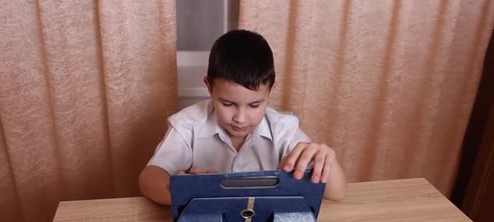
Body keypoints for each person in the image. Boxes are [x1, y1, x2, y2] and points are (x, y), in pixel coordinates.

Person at [139, 29, 346, 205]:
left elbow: (337, 193)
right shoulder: (188, 124)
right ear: (209, 87)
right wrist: (190, 192)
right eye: (227, 104)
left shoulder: (283, 128)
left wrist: (327, 160)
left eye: (255, 105)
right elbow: (149, 177)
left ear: (270, 91)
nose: (240, 118)